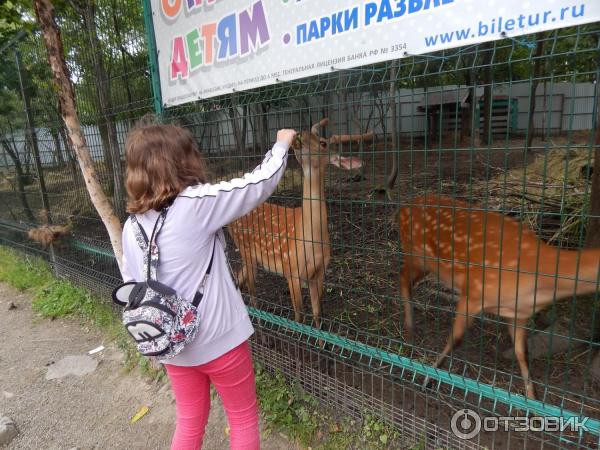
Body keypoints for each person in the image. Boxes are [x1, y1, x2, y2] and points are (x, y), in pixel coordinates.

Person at [120, 124, 297, 450]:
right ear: (181, 160)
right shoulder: (195, 204)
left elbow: (132, 285)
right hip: (220, 340)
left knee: (189, 421)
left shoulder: (131, 227)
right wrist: (281, 147)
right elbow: (255, 186)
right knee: (243, 419)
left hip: (171, 344)